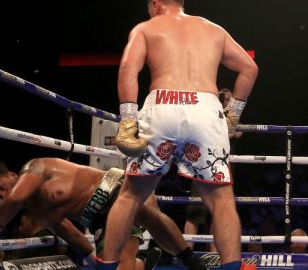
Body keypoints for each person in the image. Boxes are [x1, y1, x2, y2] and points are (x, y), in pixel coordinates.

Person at [105, 0, 258, 269]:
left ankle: (105, 265)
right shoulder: (214, 30)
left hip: (162, 103)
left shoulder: (146, 28)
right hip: (206, 108)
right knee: (221, 200)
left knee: (130, 195)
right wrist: (233, 115)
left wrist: (128, 120)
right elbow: (249, 68)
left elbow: (128, 69)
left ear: (155, 4)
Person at [0, 158, 206, 270]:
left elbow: (14, 198)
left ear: (11, 175)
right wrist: (93, 258)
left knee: (144, 214)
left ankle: (190, 261)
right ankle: (146, 260)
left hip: (115, 188)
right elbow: (69, 232)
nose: (3, 195)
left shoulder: (34, 167)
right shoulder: (38, 210)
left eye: (1, 187)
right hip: (99, 222)